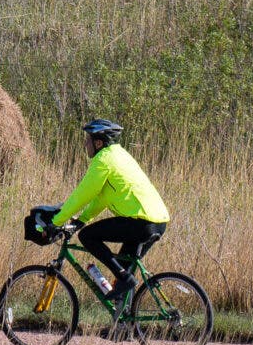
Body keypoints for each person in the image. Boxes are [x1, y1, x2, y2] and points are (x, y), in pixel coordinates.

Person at [52, 118, 168, 296]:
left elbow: (83, 194)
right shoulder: (120, 155)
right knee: (123, 273)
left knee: (87, 236)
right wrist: (82, 219)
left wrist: (56, 221)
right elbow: (102, 198)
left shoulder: (103, 160)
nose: (85, 143)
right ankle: (124, 320)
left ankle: (124, 278)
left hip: (141, 222)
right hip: (157, 221)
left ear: (98, 143)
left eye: (88, 140)